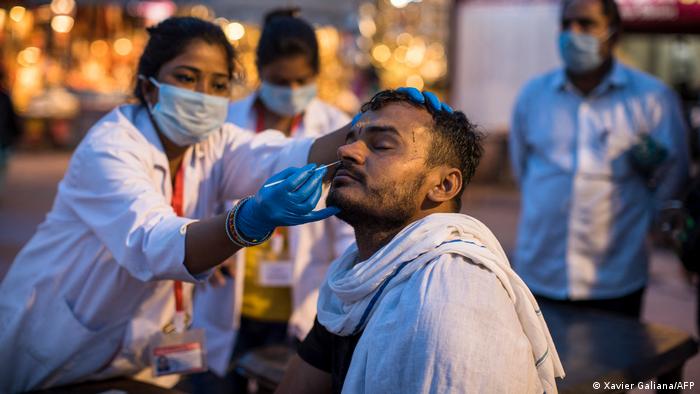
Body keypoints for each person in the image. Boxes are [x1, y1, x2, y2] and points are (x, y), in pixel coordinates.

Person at [0, 17, 353, 392]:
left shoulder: (213, 143)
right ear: (148, 87)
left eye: (218, 85)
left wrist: (368, 122)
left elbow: (285, 155)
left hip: (136, 354)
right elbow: (155, 243)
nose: (203, 94)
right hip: (60, 350)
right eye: (186, 78)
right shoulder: (111, 147)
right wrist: (246, 221)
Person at [276, 88, 565, 394]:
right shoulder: (356, 279)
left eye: (382, 145)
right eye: (351, 139)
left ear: (443, 185)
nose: (347, 152)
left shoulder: (455, 292)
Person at [189, 9, 354, 387]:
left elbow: (348, 225)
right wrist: (206, 244)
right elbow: (198, 196)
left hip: (302, 301)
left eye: (302, 80)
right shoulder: (226, 122)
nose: (292, 90)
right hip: (229, 298)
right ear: (260, 70)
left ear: (317, 74)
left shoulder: (334, 129)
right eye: (281, 80)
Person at [509, 0, 690, 319]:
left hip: (615, 279)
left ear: (613, 33)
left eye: (586, 24)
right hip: (539, 272)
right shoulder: (533, 95)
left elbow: (673, 173)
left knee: (612, 370)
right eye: (566, 24)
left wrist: (654, 222)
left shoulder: (651, 98)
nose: (572, 33)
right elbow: (521, 168)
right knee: (541, 368)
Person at [0, 65, 22, 195]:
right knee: (2, 168)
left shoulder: (5, 97)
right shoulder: (5, 97)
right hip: (3, 140)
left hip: (3, 139)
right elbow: (12, 118)